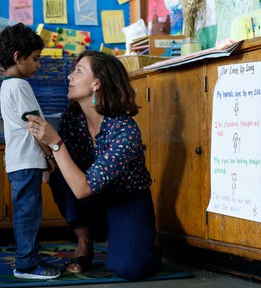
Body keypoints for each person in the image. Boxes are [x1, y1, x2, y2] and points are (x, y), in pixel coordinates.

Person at [25, 50, 160, 280]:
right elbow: (63, 170)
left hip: (126, 201)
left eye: (78, 71)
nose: (70, 76)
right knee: (60, 171)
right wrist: (44, 149)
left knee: (127, 269)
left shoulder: (125, 132)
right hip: (93, 202)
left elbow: (82, 188)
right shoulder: (74, 118)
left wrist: (55, 143)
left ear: (97, 84)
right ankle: (84, 242)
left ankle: (149, 243)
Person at [0, 23, 61, 280]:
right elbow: (36, 126)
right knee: (29, 213)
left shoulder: (9, 85)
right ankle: (27, 264)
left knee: (28, 211)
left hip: (20, 160)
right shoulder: (19, 86)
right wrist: (50, 154)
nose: (38, 64)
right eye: (35, 59)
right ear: (17, 58)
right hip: (26, 160)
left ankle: (29, 256)